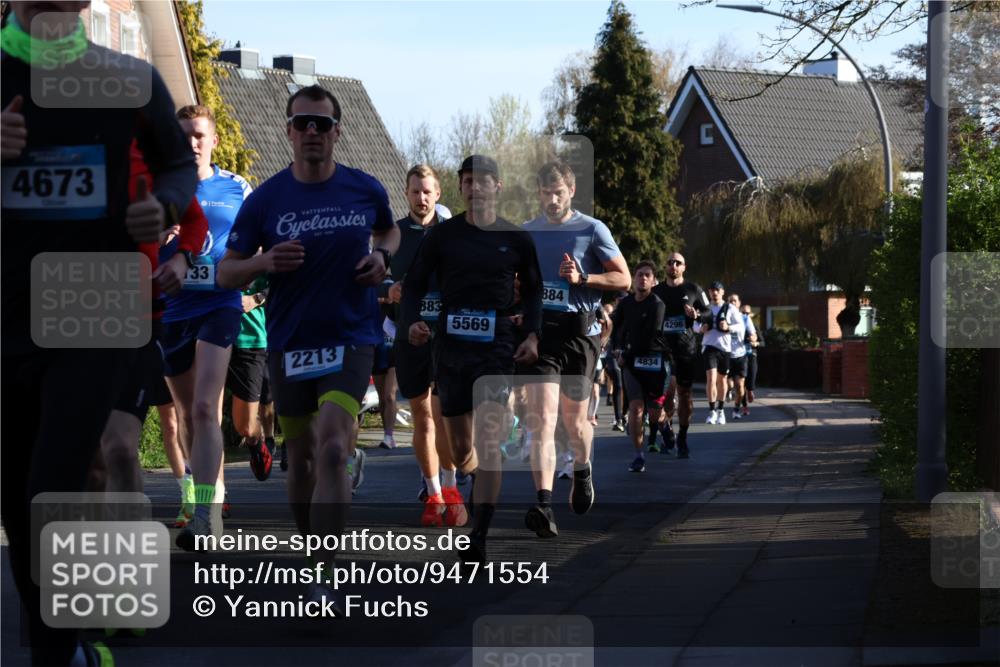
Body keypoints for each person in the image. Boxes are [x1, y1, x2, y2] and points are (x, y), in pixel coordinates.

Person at [1, 3, 197, 664]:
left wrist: (164, 207)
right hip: (7, 315)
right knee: (16, 503)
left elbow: (179, 167)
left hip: (97, 309)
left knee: (49, 486)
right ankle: (68, 645)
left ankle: (56, 656)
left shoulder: (131, 78)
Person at [218, 84, 399, 612]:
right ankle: (311, 548)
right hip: (291, 343)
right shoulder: (266, 200)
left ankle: (324, 572)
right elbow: (227, 273)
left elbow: (390, 234)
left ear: (338, 132)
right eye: (303, 123)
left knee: (335, 450)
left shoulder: (364, 188)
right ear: (289, 131)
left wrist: (383, 260)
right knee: (299, 462)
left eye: (322, 124)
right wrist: (262, 264)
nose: (312, 132)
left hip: (352, 338)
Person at [402, 154, 542, 562]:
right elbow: (412, 287)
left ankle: (478, 536)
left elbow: (533, 290)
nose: (474, 187)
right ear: (460, 187)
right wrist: (411, 322)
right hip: (451, 345)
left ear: (496, 186)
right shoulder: (443, 236)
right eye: (467, 181)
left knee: (490, 437)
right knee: (463, 451)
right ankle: (477, 476)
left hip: (497, 340)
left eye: (483, 181)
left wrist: (532, 335)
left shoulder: (515, 238)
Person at [517, 161, 629, 537]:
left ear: (571, 192)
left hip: (580, 337)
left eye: (559, 193)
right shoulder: (527, 233)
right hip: (542, 336)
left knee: (575, 422)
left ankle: (582, 467)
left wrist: (584, 278)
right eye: (546, 193)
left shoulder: (592, 229)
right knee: (543, 421)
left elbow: (623, 277)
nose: (552, 200)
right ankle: (544, 505)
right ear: (538, 193)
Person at [164, 104, 253, 549]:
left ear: (214, 141)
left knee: (204, 408)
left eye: (199, 135)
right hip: (171, 309)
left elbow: (259, 239)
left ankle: (206, 515)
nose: (192, 143)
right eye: (184, 135)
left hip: (220, 303)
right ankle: (205, 495)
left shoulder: (236, 187)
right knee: (186, 415)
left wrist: (252, 282)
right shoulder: (158, 187)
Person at [387, 164, 466, 527]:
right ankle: (434, 494)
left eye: (427, 192)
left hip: (447, 336)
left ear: (438, 195)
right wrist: (387, 290)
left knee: (442, 415)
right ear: (406, 193)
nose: (421, 198)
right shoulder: (394, 234)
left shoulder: (452, 235)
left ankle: (452, 490)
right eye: (415, 191)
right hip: (408, 336)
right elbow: (372, 276)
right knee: (421, 416)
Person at [652, 253, 710, 458]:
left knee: (684, 394)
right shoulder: (656, 291)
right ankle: (667, 432)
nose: (673, 265)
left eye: (678, 263)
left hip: (685, 350)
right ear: (665, 266)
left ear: (684, 267)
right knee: (664, 396)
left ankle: (682, 437)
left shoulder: (693, 289)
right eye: (670, 262)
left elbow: (709, 311)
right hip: (661, 350)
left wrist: (697, 316)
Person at [611, 262, 667, 473]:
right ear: (633, 279)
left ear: (653, 281)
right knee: (636, 409)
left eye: (647, 275)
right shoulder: (625, 303)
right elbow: (616, 327)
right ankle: (638, 455)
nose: (643, 278)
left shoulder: (657, 304)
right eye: (639, 275)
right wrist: (616, 348)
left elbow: (650, 336)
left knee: (654, 413)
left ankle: (665, 426)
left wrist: (627, 354)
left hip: (652, 360)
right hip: (631, 363)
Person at [699, 281, 741, 425]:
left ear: (722, 292)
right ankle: (711, 411)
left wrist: (728, 327)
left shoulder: (730, 308)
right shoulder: (705, 308)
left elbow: (740, 325)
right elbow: (694, 324)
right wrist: (700, 328)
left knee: (722, 380)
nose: (714, 293)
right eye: (712, 290)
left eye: (717, 290)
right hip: (709, 346)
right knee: (711, 378)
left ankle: (721, 411)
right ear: (709, 292)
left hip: (724, 348)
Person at [739, 303, 761, 415]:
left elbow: (762, 342)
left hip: (751, 355)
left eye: (747, 313)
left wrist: (755, 343)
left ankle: (750, 390)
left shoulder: (754, 327)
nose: (745, 315)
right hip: (740, 355)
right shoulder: (737, 326)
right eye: (743, 313)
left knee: (751, 377)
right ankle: (745, 406)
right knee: (741, 381)